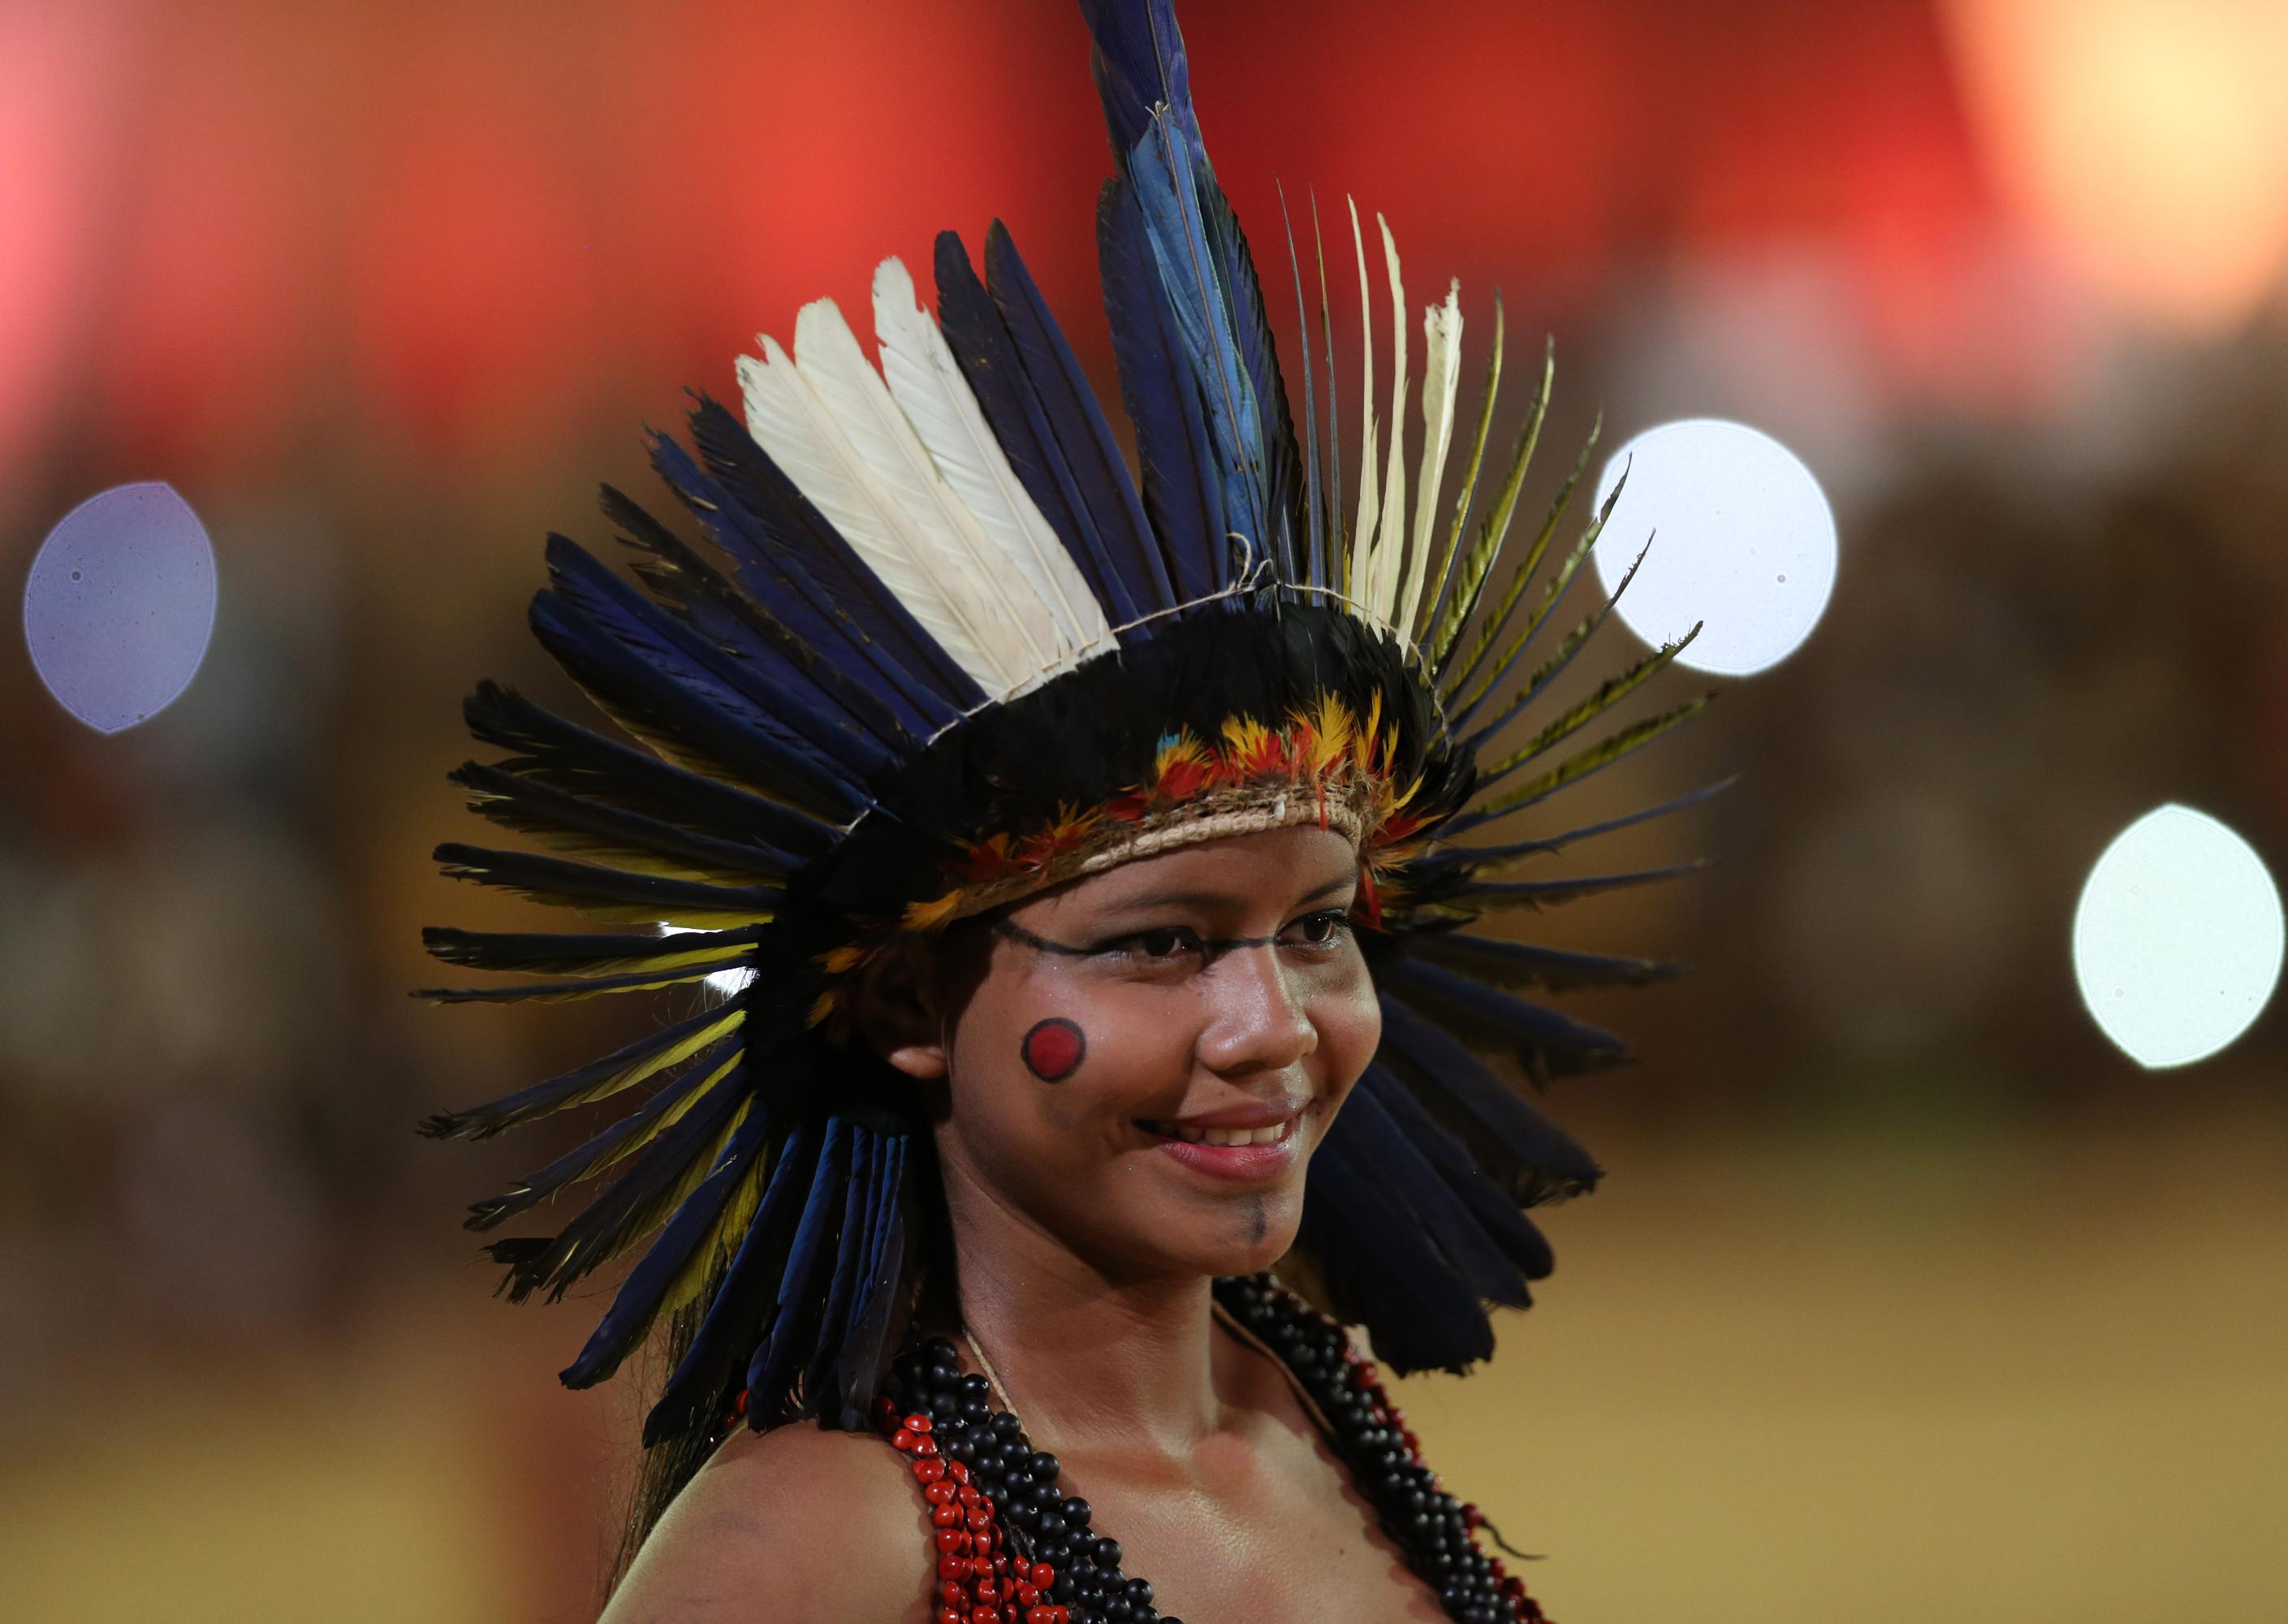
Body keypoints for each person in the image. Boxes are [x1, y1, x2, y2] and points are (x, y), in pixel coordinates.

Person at [417, 4, 1716, 1619]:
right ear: (904, 997)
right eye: (1162, 942)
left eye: (1316, 927)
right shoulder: (808, 1547)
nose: (1270, 1025)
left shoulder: (1329, 1429)